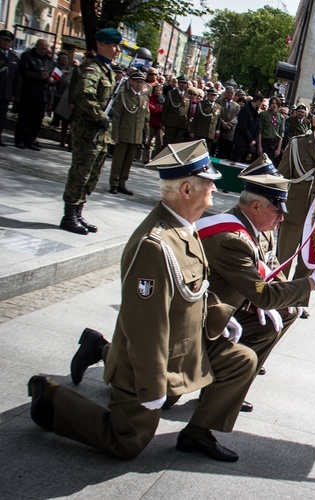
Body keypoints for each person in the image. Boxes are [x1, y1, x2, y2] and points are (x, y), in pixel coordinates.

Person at [28, 140, 256, 462]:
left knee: (241, 360)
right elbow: (145, 326)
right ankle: (49, 398)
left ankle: (196, 435)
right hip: (152, 361)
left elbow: (189, 291)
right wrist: (152, 387)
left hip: (184, 348)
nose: (215, 191)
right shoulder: (155, 244)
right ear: (187, 189)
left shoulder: (184, 228)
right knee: (125, 442)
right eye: (210, 183)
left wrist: (221, 314)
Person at [196, 154, 315, 409]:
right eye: (277, 211)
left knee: (287, 311)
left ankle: (234, 385)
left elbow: (274, 275)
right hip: (206, 319)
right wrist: (313, 283)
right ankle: (220, 383)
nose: (282, 218)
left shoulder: (261, 229)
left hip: (233, 307)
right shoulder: (232, 238)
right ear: (256, 207)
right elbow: (263, 294)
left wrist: (284, 298)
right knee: (276, 309)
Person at [59, 28, 121, 236]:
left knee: (92, 176)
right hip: (87, 131)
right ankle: (68, 217)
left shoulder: (108, 70)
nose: (117, 49)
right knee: (80, 173)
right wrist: (100, 116)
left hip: (100, 134)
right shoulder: (93, 69)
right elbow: (84, 94)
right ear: (100, 45)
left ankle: (78, 212)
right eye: (113, 45)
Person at [277, 99, 315, 281]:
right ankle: (274, 302)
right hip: (293, 213)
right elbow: (281, 179)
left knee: (307, 266)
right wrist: (276, 209)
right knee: (283, 262)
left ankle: (296, 304)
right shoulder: (297, 143)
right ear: (313, 121)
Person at [108, 71, 149, 196]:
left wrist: (145, 134)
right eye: (137, 82)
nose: (140, 84)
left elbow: (145, 118)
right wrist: (115, 134)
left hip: (136, 135)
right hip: (124, 133)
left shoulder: (144, 98)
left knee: (128, 162)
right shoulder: (123, 96)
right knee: (118, 160)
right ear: (131, 82)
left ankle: (122, 183)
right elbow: (117, 117)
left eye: (142, 82)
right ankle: (114, 183)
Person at [15, 38, 53, 150]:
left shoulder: (49, 60)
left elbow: (53, 72)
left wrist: (51, 79)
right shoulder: (27, 56)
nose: (43, 50)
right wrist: (38, 76)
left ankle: (30, 140)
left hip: (42, 94)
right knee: (24, 118)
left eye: (45, 48)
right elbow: (24, 73)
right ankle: (19, 140)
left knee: (36, 120)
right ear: (36, 47)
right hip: (29, 92)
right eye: (41, 48)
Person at [0, 29, 20, 147]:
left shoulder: (14, 58)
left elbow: (16, 79)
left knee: (2, 117)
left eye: (8, 41)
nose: (6, 43)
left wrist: (15, 93)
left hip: (6, 92)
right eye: (3, 40)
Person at [160, 75, 191, 148]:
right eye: (181, 83)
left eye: (185, 83)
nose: (183, 85)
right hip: (171, 123)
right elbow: (165, 109)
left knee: (177, 145)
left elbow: (188, 112)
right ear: (178, 83)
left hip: (181, 124)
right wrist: (163, 123)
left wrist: (187, 125)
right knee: (167, 143)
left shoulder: (188, 96)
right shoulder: (171, 93)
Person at [257, 95, 285, 166]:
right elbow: (260, 131)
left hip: (274, 143)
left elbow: (281, 134)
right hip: (265, 141)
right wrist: (259, 146)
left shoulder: (281, 117)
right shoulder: (264, 114)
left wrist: (278, 149)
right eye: (272, 103)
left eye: (276, 103)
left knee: (270, 163)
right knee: (261, 162)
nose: (274, 105)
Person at [215, 86, 240, 159]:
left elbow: (237, 117)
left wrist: (229, 124)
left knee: (225, 153)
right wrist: (222, 123)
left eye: (231, 93)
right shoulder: (219, 101)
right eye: (228, 92)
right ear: (225, 93)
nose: (230, 94)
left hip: (229, 132)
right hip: (219, 129)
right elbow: (216, 114)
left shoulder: (237, 106)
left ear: (234, 94)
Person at [141, 84, 164, 163]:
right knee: (148, 141)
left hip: (160, 125)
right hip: (151, 123)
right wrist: (160, 110)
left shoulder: (164, 100)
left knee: (159, 143)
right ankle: (145, 158)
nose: (158, 92)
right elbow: (152, 110)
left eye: (159, 90)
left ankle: (156, 159)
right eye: (156, 90)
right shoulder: (150, 99)